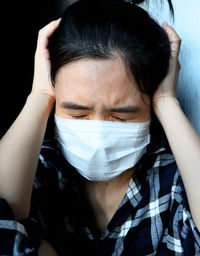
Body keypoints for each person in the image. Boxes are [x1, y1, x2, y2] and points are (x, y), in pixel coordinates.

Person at [0, 0, 199, 255]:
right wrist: (39, 95)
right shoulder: (38, 170)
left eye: (122, 116)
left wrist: (166, 101)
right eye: (77, 113)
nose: (99, 135)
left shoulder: (173, 180)